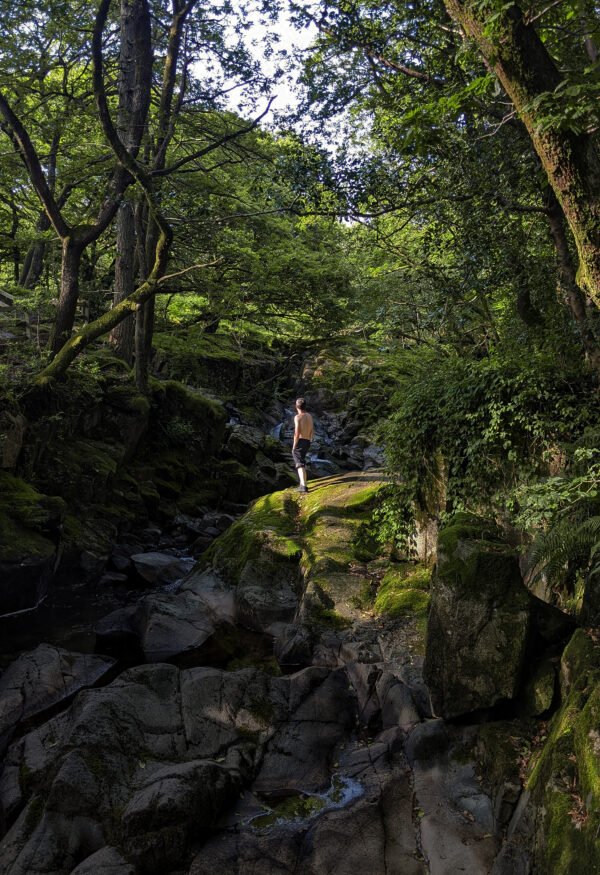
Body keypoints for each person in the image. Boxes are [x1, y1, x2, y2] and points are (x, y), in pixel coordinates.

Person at [292, 397, 313, 493]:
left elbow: (297, 433)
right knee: (302, 462)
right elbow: (312, 430)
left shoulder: (297, 417)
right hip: (308, 441)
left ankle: (303, 486)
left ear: (296, 407)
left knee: (299, 464)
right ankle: (302, 483)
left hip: (300, 441)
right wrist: (310, 439)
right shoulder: (309, 416)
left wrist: (294, 446)